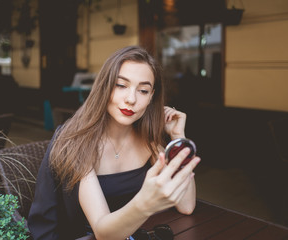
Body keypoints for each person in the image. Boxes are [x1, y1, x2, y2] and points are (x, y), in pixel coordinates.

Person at [28, 46, 201, 239]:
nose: (131, 99)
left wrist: (178, 137)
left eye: (143, 90)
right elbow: (102, 232)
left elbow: (186, 206)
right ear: (105, 86)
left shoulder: (149, 143)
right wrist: (145, 203)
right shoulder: (78, 142)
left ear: (151, 96)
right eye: (121, 85)